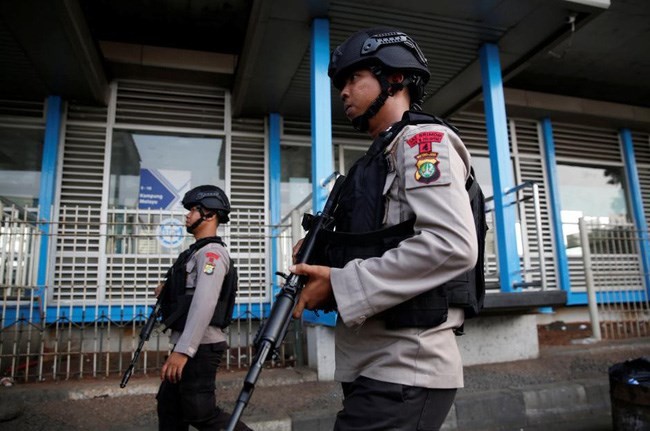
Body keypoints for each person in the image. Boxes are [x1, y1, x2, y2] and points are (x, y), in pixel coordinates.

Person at [290, 28, 479, 430]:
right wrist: (322, 258)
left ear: (394, 78)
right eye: (341, 83)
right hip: (371, 362)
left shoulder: (423, 142)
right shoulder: (375, 160)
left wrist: (340, 283)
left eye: (353, 78)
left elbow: (451, 244)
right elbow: (380, 244)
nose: (343, 92)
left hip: (407, 363)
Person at [155, 185, 251, 431]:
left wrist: (183, 351)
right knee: (169, 407)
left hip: (201, 346)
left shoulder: (212, 254)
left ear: (209, 214)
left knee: (201, 414)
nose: (187, 215)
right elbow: (189, 296)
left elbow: (205, 302)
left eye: (193, 210)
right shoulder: (195, 253)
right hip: (189, 342)